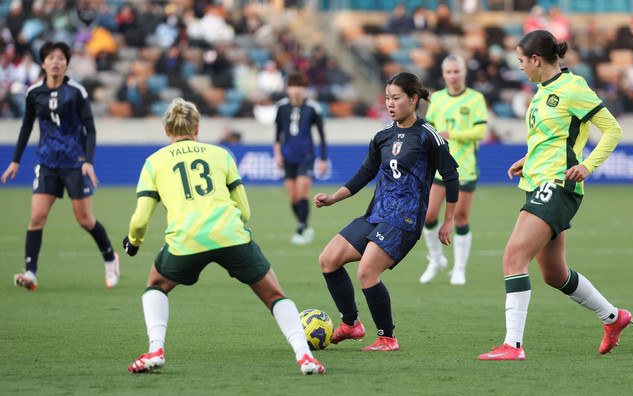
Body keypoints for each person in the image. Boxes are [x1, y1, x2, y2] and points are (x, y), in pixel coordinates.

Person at [123, 97, 324, 375]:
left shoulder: (153, 163)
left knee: (156, 285)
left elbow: (140, 220)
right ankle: (305, 357)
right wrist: (233, 231)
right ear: (197, 127)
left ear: (167, 130)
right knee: (275, 295)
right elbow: (245, 211)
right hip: (231, 235)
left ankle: (156, 349)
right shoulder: (221, 154)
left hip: (186, 240)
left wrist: (133, 243)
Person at [477, 30, 632, 361]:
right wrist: (527, 159)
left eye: (521, 61)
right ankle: (613, 317)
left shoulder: (573, 88)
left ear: (535, 59)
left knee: (513, 258)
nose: (519, 67)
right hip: (539, 180)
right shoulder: (540, 92)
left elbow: (613, 129)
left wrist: (588, 165)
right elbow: (551, 138)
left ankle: (513, 346)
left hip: (558, 185)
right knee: (554, 273)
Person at [314, 72, 459, 351]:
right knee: (328, 259)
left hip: (404, 219)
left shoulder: (429, 136)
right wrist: (334, 198)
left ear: (413, 99)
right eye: (387, 99)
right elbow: (365, 173)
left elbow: (451, 176)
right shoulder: (383, 136)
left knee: (367, 271)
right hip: (375, 215)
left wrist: (448, 220)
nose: (390, 104)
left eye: (396, 98)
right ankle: (351, 324)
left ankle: (387, 338)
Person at [1, 41, 119, 290]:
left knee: (85, 220)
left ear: (67, 63)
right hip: (46, 162)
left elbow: (90, 129)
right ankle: (30, 272)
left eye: (61, 58)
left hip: (74, 162)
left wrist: (88, 161)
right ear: (43, 63)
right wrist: (15, 161)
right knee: (36, 218)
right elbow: (26, 126)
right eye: (50, 58)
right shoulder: (34, 92)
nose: (55, 62)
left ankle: (110, 258)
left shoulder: (76, 92)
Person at [419, 54, 487, 286]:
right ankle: (436, 259)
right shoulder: (437, 98)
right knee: (429, 215)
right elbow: (430, 129)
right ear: (443, 74)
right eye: (448, 72)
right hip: (440, 167)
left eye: (456, 71)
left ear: (464, 72)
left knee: (460, 217)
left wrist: (453, 135)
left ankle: (459, 269)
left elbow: (480, 132)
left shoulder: (475, 98)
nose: (452, 76)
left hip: (465, 168)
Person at [273, 72, 327, 245]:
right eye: (292, 86)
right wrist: (278, 154)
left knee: (303, 192)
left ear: (305, 89)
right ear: (287, 88)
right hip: (288, 157)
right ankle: (305, 225)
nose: (296, 90)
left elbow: (322, 135)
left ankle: (301, 229)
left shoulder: (312, 108)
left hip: (306, 156)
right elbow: (277, 135)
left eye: (299, 87)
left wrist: (323, 159)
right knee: (293, 197)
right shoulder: (281, 107)